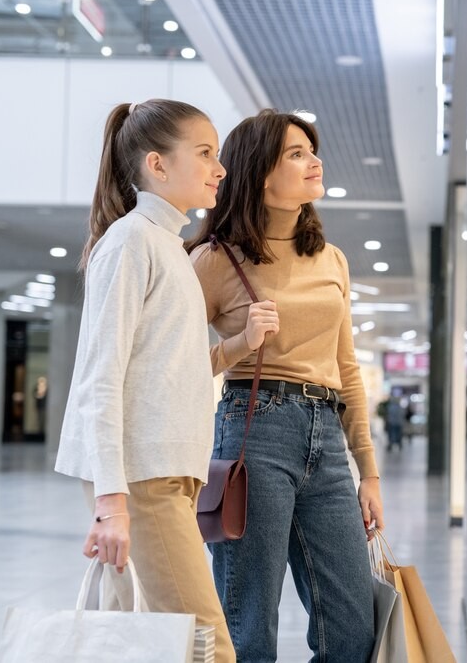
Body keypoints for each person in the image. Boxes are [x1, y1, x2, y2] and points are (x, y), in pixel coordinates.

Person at [187, 108, 383, 662]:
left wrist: (369, 471)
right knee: (249, 629)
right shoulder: (214, 259)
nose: (314, 161)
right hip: (254, 431)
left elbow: (346, 367)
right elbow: (175, 365)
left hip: (327, 437)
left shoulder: (331, 258)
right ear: (259, 175)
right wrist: (240, 344)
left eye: (311, 151)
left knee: (352, 630)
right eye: (296, 154)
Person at [54, 99, 234, 662]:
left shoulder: (167, 245)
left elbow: (172, 372)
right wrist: (112, 503)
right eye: (205, 153)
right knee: (206, 643)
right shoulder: (132, 241)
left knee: (134, 641)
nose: (219, 168)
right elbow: (100, 378)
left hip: (164, 472)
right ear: (157, 164)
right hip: (143, 478)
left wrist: (242, 345)